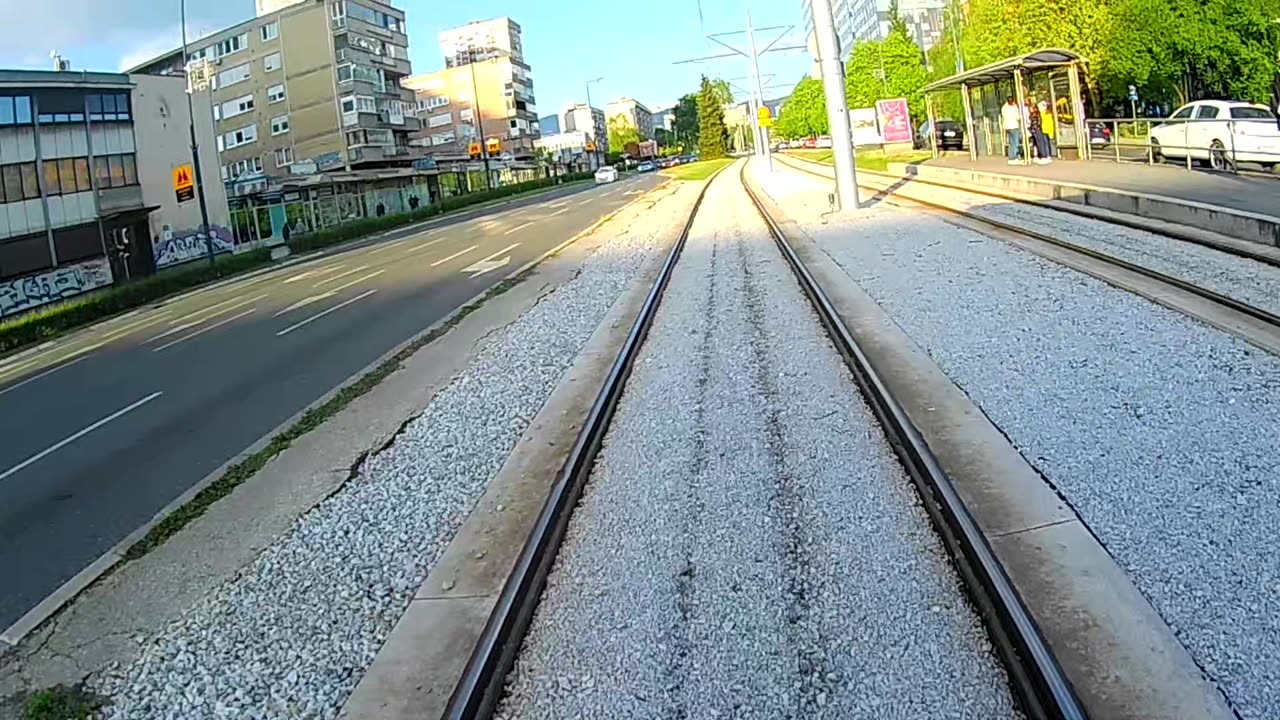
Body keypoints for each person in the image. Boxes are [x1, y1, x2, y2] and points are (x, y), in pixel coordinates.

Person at [1027, 98, 1052, 165]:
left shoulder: (1038, 114)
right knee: (1039, 143)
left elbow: (1038, 122)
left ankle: (1045, 156)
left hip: (1039, 130)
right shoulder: (1036, 114)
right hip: (1038, 130)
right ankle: (1043, 155)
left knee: (1042, 143)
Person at [1001, 96, 1024, 165]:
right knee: (1015, 142)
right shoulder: (1014, 107)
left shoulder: (1004, 107)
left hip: (1007, 126)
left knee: (1011, 143)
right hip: (1014, 125)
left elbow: (1003, 115)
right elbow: (1017, 116)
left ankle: (1011, 157)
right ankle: (1014, 157)